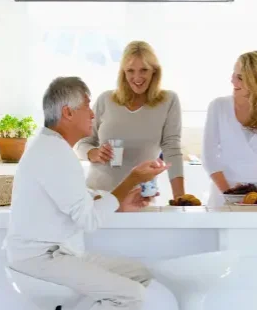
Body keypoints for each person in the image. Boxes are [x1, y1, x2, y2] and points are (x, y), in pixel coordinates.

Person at [5, 76, 169, 310]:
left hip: (60, 252)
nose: (93, 115)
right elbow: (88, 219)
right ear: (68, 112)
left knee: (140, 274)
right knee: (130, 295)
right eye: (88, 107)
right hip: (40, 258)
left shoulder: (55, 149)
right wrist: (132, 177)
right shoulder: (52, 153)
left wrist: (120, 203)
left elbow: (78, 204)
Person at [75, 41, 185, 199]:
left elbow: (172, 149)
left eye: (144, 70)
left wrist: (180, 198)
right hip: (99, 194)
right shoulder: (106, 100)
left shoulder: (168, 101)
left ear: (154, 71)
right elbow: (82, 142)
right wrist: (93, 153)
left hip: (141, 197)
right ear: (123, 73)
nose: (137, 77)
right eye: (130, 71)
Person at [202, 51, 257, 207]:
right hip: (224, 197)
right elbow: (209, 156)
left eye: (240, 78)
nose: (232, 81)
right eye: (234, 74)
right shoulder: (219, 106)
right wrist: (230, 195)